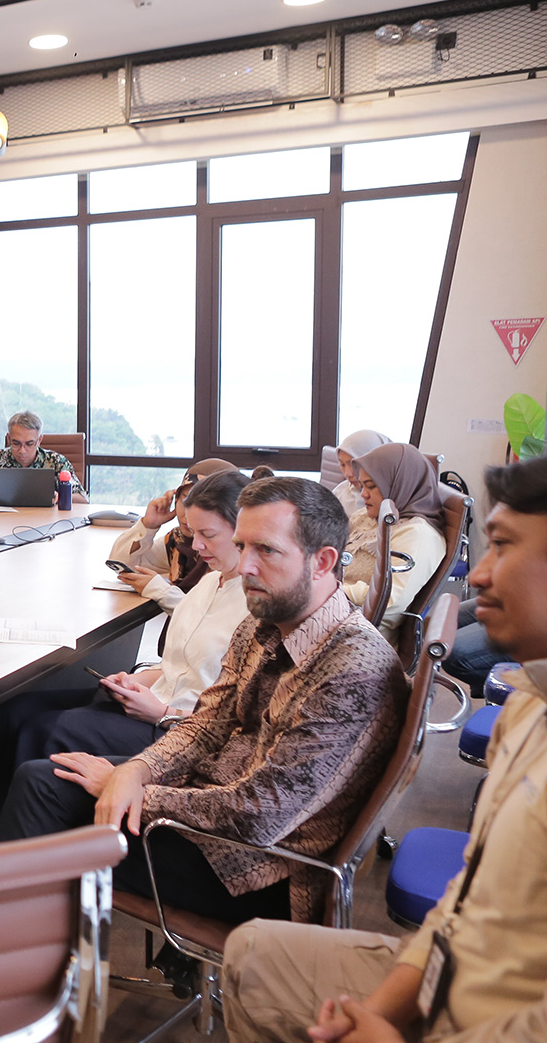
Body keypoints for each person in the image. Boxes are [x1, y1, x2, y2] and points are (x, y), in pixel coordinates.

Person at [222, 456, 547, 1043]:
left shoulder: (352, 657)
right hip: (452, 975)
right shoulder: (526, 705)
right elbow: (463, 903)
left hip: (501, 1015)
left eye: (501, 545)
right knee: (255, 954)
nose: (476, 574)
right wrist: (389, 1009)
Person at [0, 477, 405, 926]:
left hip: (257, 871)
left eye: (265, 550)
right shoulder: (265, 624)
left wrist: (141, 794)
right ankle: (11, 955)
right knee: (46, 774)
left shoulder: (351, 668)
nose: (244, 566)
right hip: (210, 812)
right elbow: (206, 724)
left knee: (42, 796)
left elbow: (261, 815)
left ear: (323, 561)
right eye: (242, 545)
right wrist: (135, 771)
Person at [0, 470, 255, 832]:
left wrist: (162, 712)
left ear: (243, 532)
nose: (196, 546)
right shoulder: (211, 580)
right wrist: (135, 679)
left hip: (176, 730)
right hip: (154, 700)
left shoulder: (255, 606)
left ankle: (10, 841)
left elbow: (232, 717)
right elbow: (179, 664)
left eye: (207, 535)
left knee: (44, 730)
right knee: (15, 710)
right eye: (193, 533)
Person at [342, 442, 447, 635]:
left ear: (400, 485)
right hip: (334, 612)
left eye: (372, 486)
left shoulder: (417, 534)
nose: (363, 494)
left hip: (360, 636)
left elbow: (388, 601)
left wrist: (330, 591)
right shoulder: (366, 517)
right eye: (362, 485)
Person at [108, 458, 239, 612]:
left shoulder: (237, 554)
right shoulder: (179, 541)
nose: (187, 512)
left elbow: (212, 618)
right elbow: (122, 564)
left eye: (205, 505)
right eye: (185, 499)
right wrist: (148, 526)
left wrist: (160, 590)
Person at [0, 410, 86, 505]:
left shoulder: (56, 461)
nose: (22, 451)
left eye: (29, 444)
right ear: (9, 438)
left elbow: (82, 499)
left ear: (39, 440)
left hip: (47, 524)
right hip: (2, 524)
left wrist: (60, 496)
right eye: (16, 443)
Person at [331, 429, 390, 516]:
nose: (347, 474)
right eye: (342, 465)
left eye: (353, 464)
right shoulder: (340, 492)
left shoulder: (392, 502)